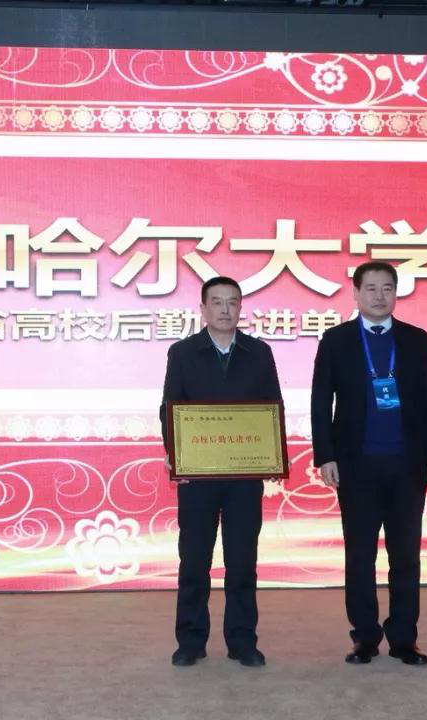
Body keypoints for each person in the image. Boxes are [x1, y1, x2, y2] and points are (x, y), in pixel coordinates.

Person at [310, 260, 427, 666]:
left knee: (405, 556)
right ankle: (365, 638)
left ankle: (404, 639)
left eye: (387, 288)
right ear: (356, 294)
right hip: (356, 467)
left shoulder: (417, 340)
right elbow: (321, 402)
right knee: (360, 556)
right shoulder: (336, 341)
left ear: (396, 293)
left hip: (408, 465)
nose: (379, 296)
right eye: (370, 288)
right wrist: (326, 455)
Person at [160, 276, 283, 668]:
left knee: (242, 561)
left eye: (232, 302)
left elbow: (272, 406)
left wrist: (274, 454)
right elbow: (170, 407)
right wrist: (175, 453)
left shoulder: (259, 352)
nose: (225, 309)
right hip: (198, 476)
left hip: (244, 477)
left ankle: (242, 641)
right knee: (194, 560)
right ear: (203, 309)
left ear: (241, 307)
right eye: (217, 302)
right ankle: (191, 641)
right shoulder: (183, 352)